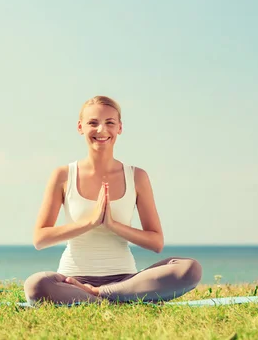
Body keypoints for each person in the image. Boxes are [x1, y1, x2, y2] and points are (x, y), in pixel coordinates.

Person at [24, 96, 202, 305]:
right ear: (80, 127)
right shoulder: (63, 175)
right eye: (93, 123)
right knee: (36, 285)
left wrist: (112, 225)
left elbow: (156, 242)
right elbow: (40, 238)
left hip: (125, 280)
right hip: (72, 281)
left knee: (190, 269)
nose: (101, 130)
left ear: (120, 128)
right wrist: (90, 222)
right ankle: (118, 300)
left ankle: (100, 295)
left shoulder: (137, 176)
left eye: (110, 123)